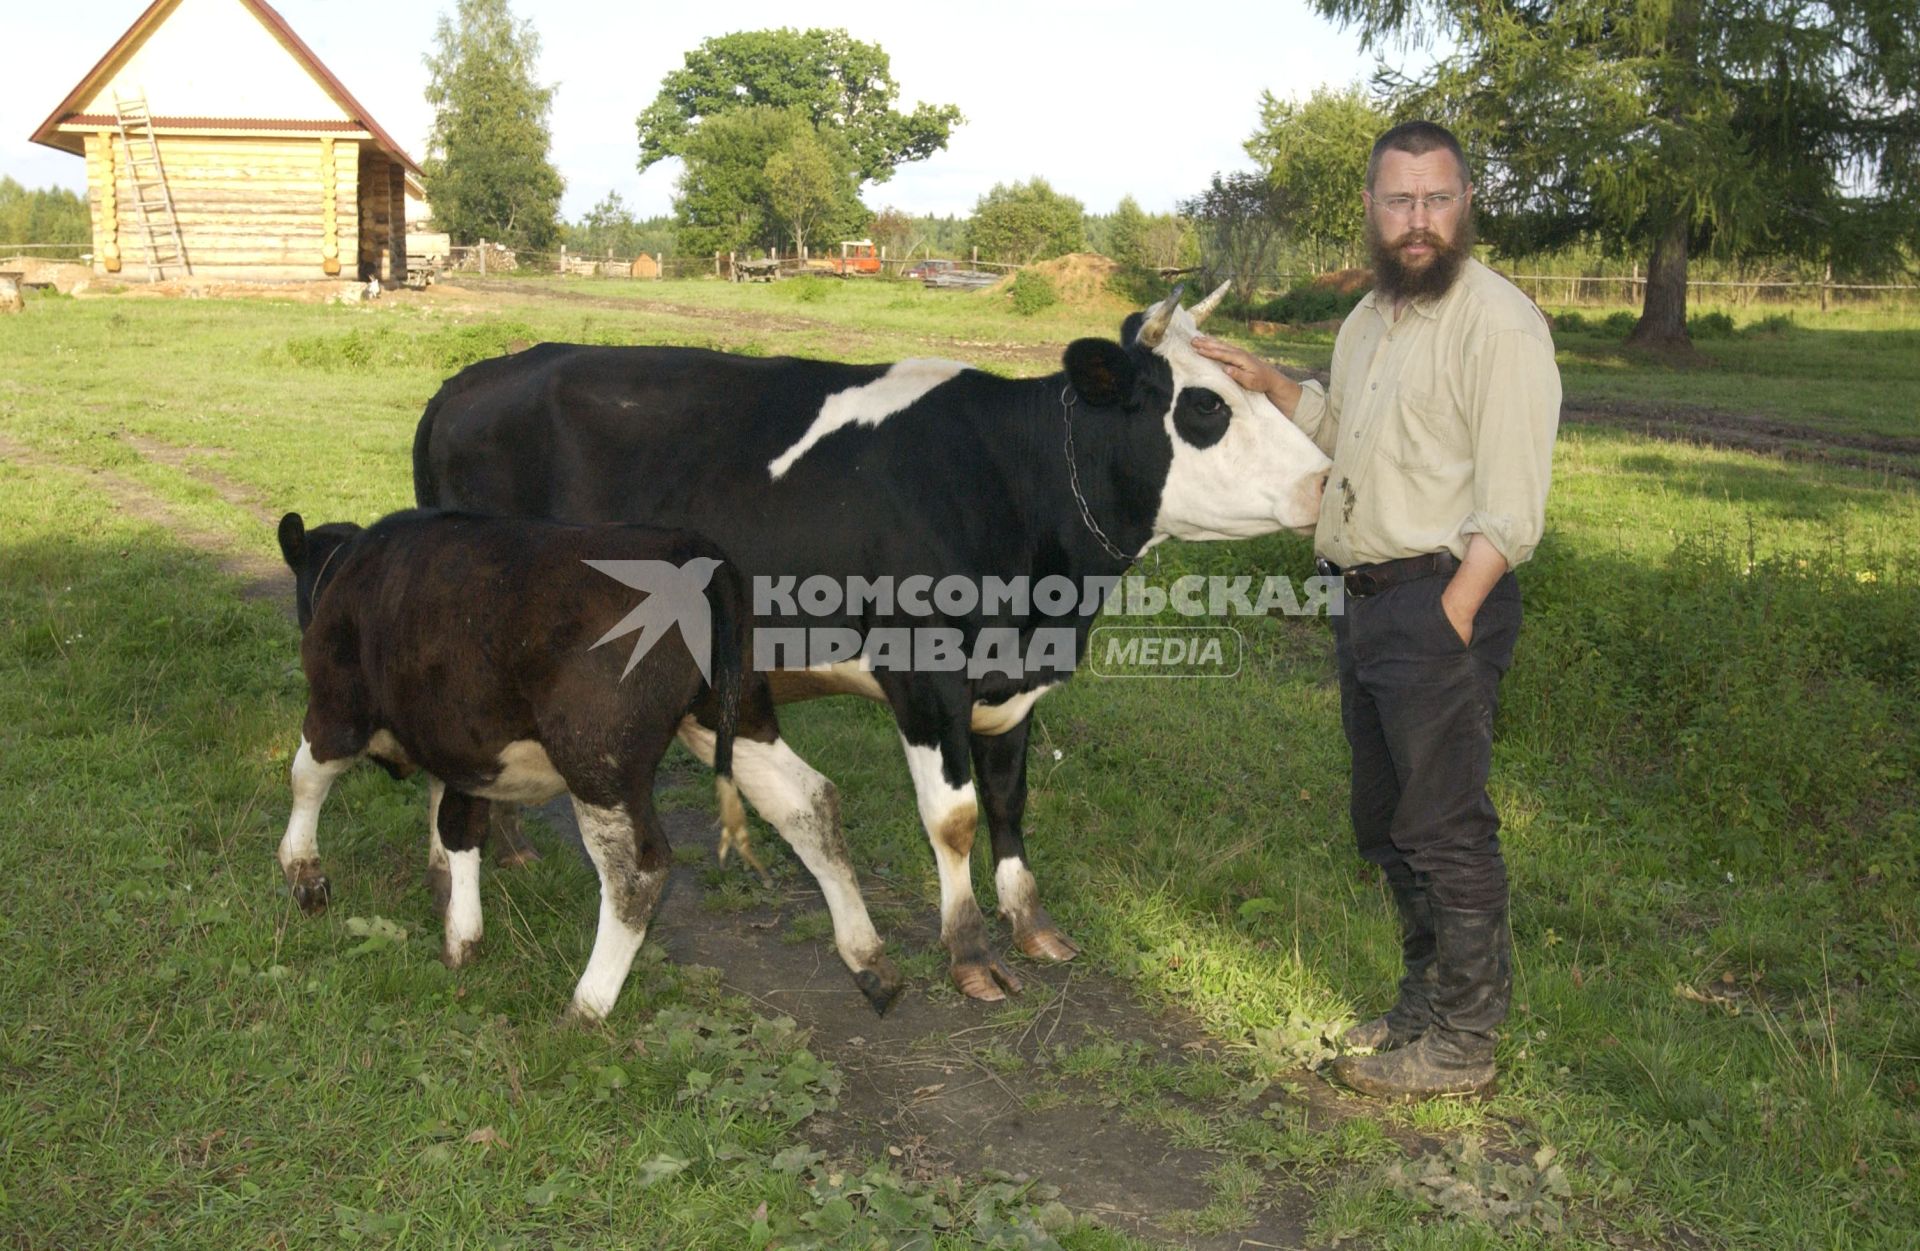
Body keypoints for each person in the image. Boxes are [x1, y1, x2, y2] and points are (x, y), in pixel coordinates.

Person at [1194, 121, 1560, 1099]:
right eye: (1399, 201)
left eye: (1437, 199)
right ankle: (1423, 1006)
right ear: (1370, 209)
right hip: (1362, 603)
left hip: (1438, 602)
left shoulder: (1499, 323)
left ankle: (1466, 1042)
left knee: (1444, 824)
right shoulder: (1370, 321)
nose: (1418, 221)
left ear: (1466, 203)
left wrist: (1454, 612)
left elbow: (1515, 505)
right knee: (1387, 820)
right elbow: (1344, 431)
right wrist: (1270, 384)